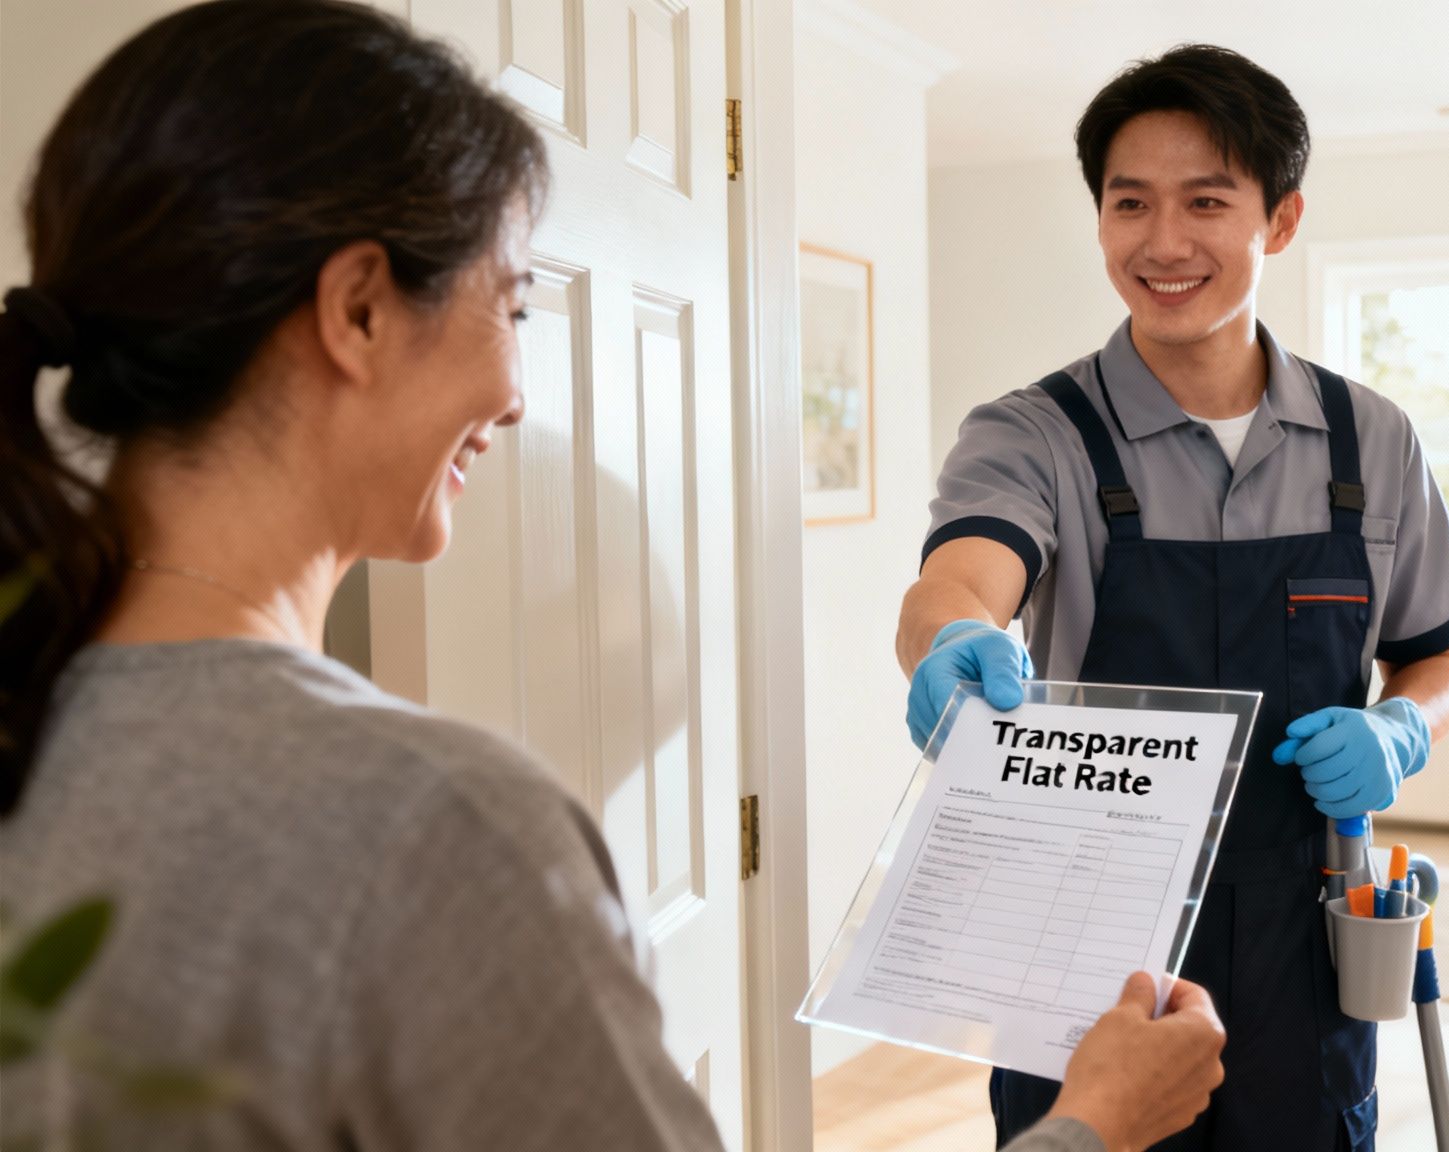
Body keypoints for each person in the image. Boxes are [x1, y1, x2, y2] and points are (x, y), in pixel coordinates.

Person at [0, 4, 1224, 1150]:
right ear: (360, 310)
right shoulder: (441, 825)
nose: (516, 392)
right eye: (513, 300)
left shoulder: (37, 719)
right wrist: (1094, 1124)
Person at [900, 44, 1449, 1152]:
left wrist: (1402, 728)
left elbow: (1436, 655)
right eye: (1131, 205)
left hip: (1300, 936)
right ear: (1100, 221)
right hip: (1087, 951)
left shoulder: (1372, 440)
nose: (1162, 243)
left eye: (1205, 202)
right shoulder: (1034, 434)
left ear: (1279, 219)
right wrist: (948, 641)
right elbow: (961, 576)